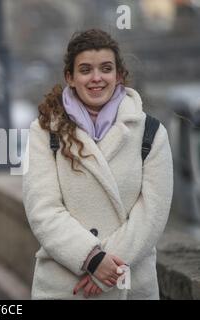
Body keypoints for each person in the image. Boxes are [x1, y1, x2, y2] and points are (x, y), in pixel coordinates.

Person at [22, 29, 173, 300]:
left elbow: (153, 213)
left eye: (106, 68)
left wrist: (108, 270)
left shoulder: (151, 133)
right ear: (70, 77)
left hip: (129, 284)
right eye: (85, 70)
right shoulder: (45, 132)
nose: (96, 78)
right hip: (65, 286)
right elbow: (42, 210)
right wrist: (91, 259)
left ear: (119, 75)